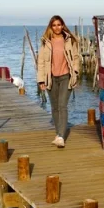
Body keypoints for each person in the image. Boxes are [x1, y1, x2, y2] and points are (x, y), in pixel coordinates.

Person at [37, 15, 81, 148]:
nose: (57, 27)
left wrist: (75, 72)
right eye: (54, 25)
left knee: (62, 106)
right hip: (51, 78)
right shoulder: (46, 42)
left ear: (63, 26)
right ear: (51, 26)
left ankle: (61, 136)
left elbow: (76, 57)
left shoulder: (69, 40)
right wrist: (41, 80)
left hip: (65, 77)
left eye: (59, 25)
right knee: (55, 107)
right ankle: (58, 133)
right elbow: (41, 63)